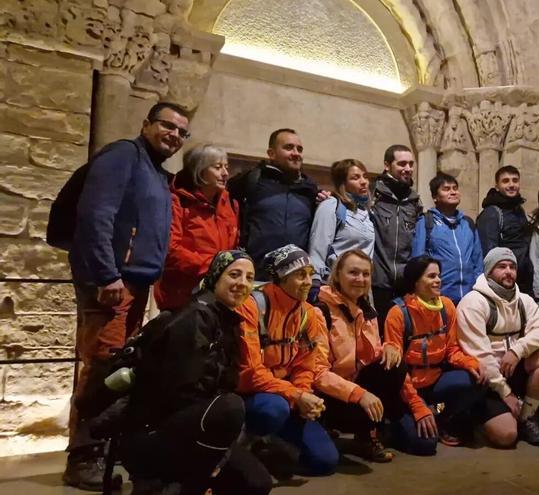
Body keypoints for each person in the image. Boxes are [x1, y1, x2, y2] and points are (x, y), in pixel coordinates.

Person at [64, 101, 189, 490]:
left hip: (136, 285)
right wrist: (107, 274)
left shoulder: (155, 171)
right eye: (167, 126)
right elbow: (96, 214)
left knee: (117, 369)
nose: (174, 135)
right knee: (102, 369)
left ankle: (101, 450)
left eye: (182, 132)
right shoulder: (123, 155)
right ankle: (82, 458)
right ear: (146, 124)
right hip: (114, 285)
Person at [120, 251, 272, 495]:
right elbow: (179, 393)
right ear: (215, 277)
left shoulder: (226, 320)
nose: (242, 283)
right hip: (152, 433)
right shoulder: (194, 317)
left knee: (256, 483)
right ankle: (176, 483)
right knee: (229, 408)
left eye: (249, 277)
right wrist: (216, 459)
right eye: (234, 274)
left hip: (192, 425)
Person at [236, 244, 339, 477]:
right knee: (273, 409)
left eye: (310, 274)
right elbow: (252, 371)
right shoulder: (252, 306)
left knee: (326, 461)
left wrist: (302, 399)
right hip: (252, 395)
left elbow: (305, 365)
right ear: (281, 279)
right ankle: (246, 441)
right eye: (300, 275)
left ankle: (269, 446)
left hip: (287, 396)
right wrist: (296, 396)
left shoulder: (308, 314)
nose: (308, 281)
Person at [456, 247, 539, 447]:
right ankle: (477, 417)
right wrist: (506, 393)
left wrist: (517, 350)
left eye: (512, 267)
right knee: (506, 437)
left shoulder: (524, 300)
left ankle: (527, 417)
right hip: (488, 380)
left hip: (514, 369)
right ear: (489, 271)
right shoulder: (473, 303)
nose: (508, 271)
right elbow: (480, 356)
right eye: (501, 266)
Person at [384, 256, 487, 451]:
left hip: (434, 382)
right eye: (431, 276)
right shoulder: (398, 313)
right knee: (425, 445)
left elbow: (452, 350)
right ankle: (397, 425)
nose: (438, 280)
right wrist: (416, 406)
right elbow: (396, 371)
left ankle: (440, 416)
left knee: (478, 379)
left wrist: (471, 364)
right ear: (415, 282)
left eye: (438, 276)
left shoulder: (446, 306)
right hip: (406, 388)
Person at [312, 249, 404, 463]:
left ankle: (367, 435)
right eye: (353, 272)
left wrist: (390, 347)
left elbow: (372, 355)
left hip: (355, 385)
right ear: (337, 276)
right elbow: (317, 373)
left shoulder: (367, 310)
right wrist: (359, 394)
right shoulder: (321, 311)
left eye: (365, 274)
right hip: (327, 394)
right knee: (325, 461)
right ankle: (327, 425)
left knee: (395, 366)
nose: (360, 279)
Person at [153, 144, 239, 311]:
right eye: (218, 167)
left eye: (226, 167)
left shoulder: (228, 202)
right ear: (199, 170)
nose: (225, 173)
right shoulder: (176, 201)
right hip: (182, 291)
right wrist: (212, 268)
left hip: (219, 290)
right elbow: (171, 249)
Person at [228, 128, 319, 280]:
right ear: (271, 153)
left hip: (296, 277)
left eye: (299, 149)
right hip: (255, 275)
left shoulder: (309, 188)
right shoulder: (251, 180)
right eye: (288, 147)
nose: (296, 153)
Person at [370, 144, 422, 331]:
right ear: (387, 165)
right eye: (402, 164)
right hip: (378, 282)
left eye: (410, 164)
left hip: (405, 283)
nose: (408, 168)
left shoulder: (414, 202)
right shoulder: (372, 194)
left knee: (404, 336)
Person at [411, 172, 483, 304]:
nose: (453, 192)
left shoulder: (468, 223)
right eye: (446, 189)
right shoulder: (426, 222)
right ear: (435, 197)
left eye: (455, 188)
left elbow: (478, 261)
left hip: (469, 297)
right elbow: (418, 260)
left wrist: (478, 291)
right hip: (439, 297)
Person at [308, 159, 375, 288]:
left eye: (365, 176)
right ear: (343, 183)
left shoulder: (367, 213)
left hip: (361, 286)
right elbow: (318, 248)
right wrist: (315, 283)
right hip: (335, 285)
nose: (363, 182)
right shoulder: (331, 206)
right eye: (355, 178)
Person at [477, 165, 533, 296]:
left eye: (515, 180)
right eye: (506, 181)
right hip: (504, 282)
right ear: (497, 186)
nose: (511, 184)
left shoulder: (519, 210)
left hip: (523, 281)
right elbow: (489, 253)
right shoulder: (491, 213)